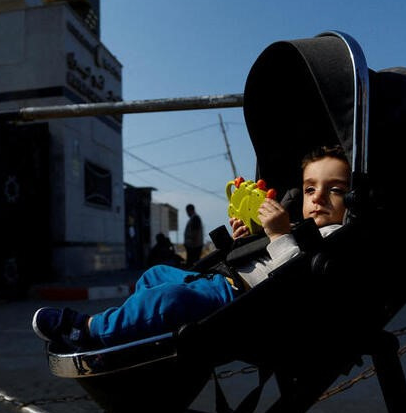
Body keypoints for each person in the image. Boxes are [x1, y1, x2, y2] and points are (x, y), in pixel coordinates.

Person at [33, 145, 350, 351]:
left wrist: (279, 236)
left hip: (239, 304)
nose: (319, 196)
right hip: (219, 282)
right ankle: (129, 335)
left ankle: (89, 330)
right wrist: (246, 239)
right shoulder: (295, 227)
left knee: (168, 300)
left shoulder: (336, 239)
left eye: (334, 190)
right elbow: (261, 259)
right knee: (156, 275)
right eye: (311, 188)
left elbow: (300, 287)